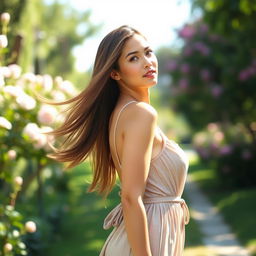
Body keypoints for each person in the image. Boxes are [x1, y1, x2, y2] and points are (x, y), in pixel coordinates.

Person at [48, 25, 189, 256]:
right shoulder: (140, 114)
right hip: (146, 243)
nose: (147, 62)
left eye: (148, 52)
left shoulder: (124, 113)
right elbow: (131, 197)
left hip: (148, 237)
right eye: (134, 58)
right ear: (115, 73)